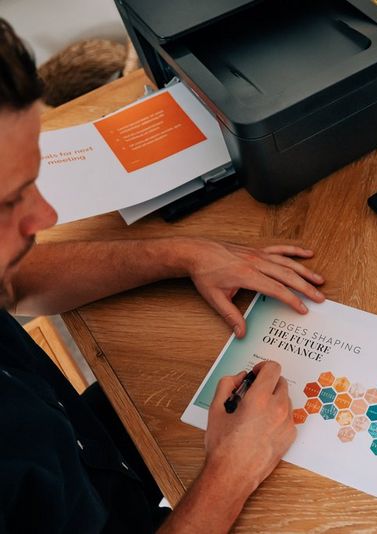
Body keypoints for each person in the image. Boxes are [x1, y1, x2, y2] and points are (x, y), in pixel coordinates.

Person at [0, 18, 322, 533]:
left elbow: (15, 285)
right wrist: (233, 471)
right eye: (9, 202)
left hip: (93, 452)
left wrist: (183, 254)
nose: (45, 219)